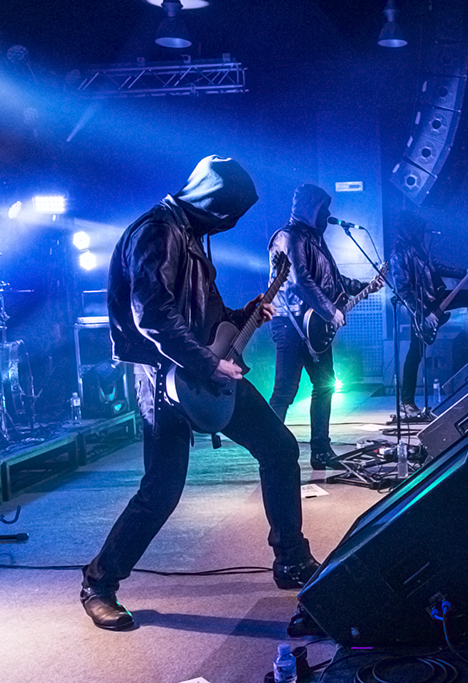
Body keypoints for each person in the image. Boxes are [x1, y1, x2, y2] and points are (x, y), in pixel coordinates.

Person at [81, 156, 318, 631]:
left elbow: (205, 317)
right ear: (213, 203)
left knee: (279, 448)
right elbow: (153, 317)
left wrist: (243, 314)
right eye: (230, 213)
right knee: (162, 490)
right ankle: (98, 584)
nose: (231, 224)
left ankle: (291, 559)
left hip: (205, 369)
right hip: (166, 379)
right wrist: (210, 363)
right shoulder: (156, 232)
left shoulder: (189, 234)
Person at [267, 184, 383, 469]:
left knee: (325, 385)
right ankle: (268, 451)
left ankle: (320, 451)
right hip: (291, 323)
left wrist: (368, 285)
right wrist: (330, 312)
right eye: (323, 208)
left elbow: (335, 281)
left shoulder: (316, 239)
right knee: (285, 391)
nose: (327, 214)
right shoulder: (288, 236)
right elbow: (300, 280)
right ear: (310, 208)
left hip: (315, 324)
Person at [391, 211, 468, 417]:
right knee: (415, 353)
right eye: (418, 230)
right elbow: (404, 290)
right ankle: (406, 401)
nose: (422, 234)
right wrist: (425, 313)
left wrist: (465, 272)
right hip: (420, 307)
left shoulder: (420, 248)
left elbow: (437, 267)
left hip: (437, 297)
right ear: (409, 230)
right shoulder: (398, 255)